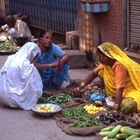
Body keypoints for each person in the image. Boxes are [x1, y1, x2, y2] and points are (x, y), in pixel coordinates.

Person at [74, 42, 140, 114]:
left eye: (100, 56)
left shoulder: (119, 66)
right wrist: (80, 87)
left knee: (126, 107)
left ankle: (120, 100)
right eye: (98, 56)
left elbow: (120, 88)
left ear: (108, 56)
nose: (99, 59)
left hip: (130, 90)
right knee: (100, 73)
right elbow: (93, 74)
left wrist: (116, 106)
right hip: (119, 89)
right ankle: (115, 96)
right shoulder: (107, 64)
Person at [0, 42, 43, 110]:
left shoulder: (11, 58)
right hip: (12, 99)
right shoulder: (26, 64)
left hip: (2, 97)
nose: (34, 58)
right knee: (34, 80)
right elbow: (34, 85)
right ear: (31, 53)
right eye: (34, 56)